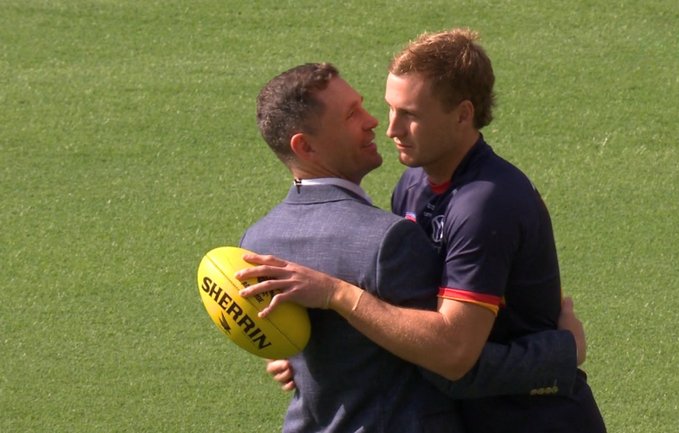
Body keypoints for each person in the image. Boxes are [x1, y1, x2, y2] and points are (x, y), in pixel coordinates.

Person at [240, 29, 605, 433]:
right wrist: (310, 354)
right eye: (389, 108)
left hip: (534, 420)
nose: (389, 128)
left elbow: (452, 355)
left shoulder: (487, 202)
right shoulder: (411, 186)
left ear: (462, 114)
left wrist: (559, 355)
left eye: (410, 114)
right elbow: (405, 324)